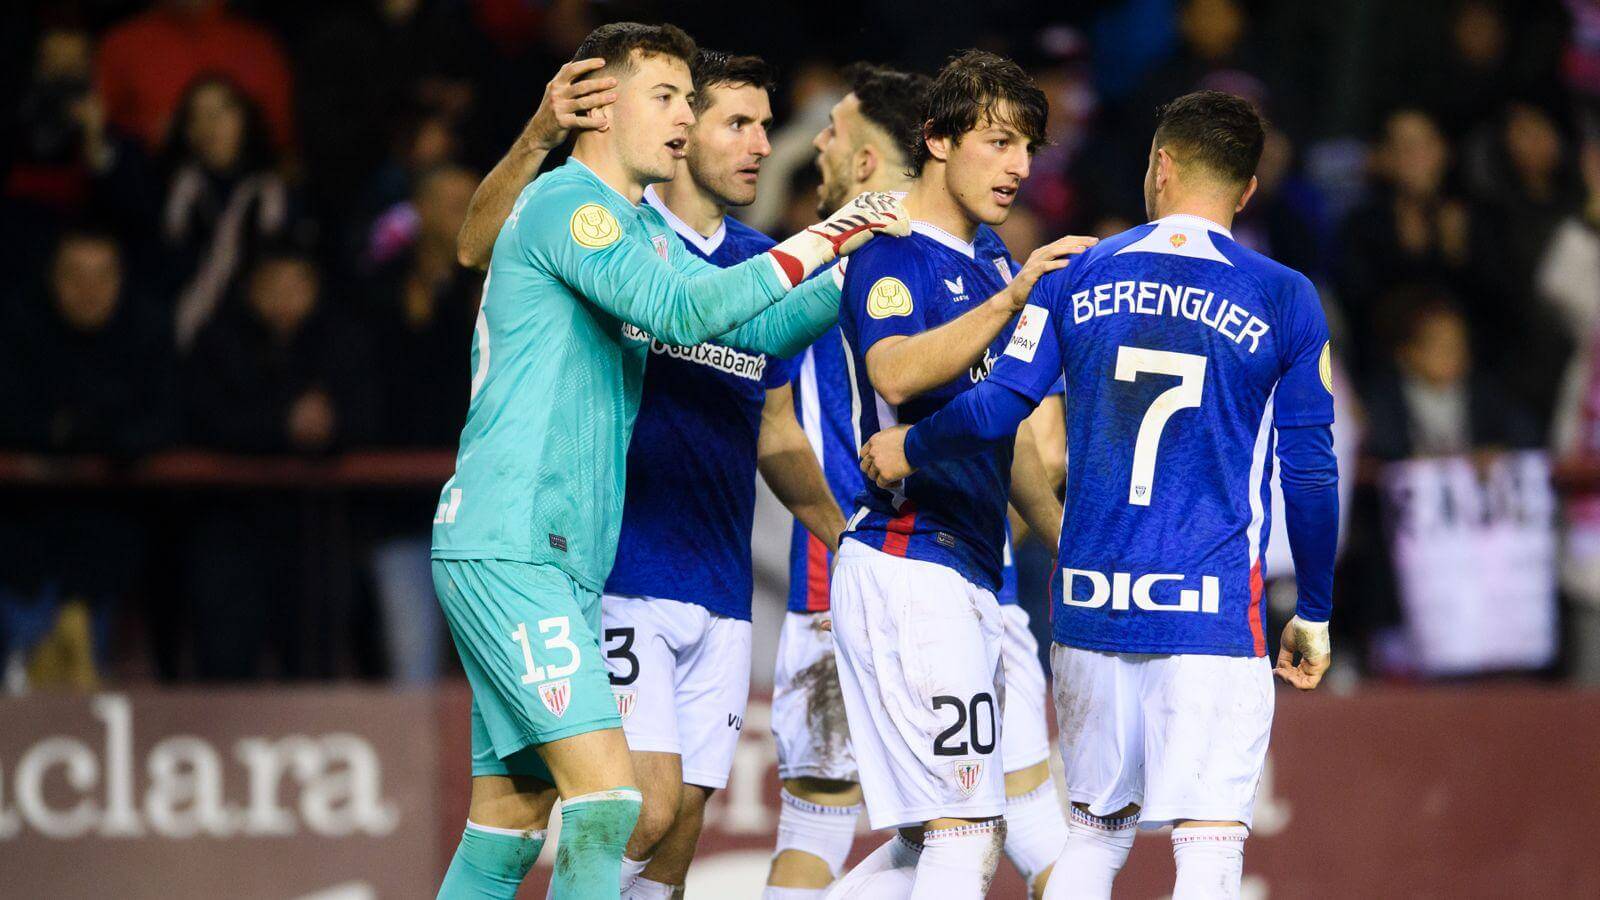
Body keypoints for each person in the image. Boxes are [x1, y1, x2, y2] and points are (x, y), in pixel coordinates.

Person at [428, 23, 907, 899]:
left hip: (561, 554)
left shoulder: (631, 236)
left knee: (509, 815)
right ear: (599, 106)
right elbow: (685, 315)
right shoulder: (573, 206)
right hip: (513, 543)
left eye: (690, 99)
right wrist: (829, 238)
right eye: (667, 97)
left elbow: (754, 332)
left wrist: (850, 271)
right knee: (612, 800)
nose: (684, 118)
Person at [860, 90, 1339, 900]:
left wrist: (910, 444)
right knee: (1209, 850)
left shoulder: (1076, 270)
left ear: (1160, 165)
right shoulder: (1283, 295)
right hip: (1210, 607)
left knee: (1091, 841)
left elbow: (999, 406)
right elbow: (1312, 472)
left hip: (1087, 605)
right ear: (1248, 191)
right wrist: (1316, 609)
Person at [769, 62, 1071, 900]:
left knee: (948, 835)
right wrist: (1014, 299)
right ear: (936, 141)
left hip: (967, 571)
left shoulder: (983, 261)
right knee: (967, 831)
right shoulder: (887, 249)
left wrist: (1071, 551)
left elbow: (1007, 445)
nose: (1018, 167)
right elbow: (895, 372)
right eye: (999, 142)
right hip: (906, 564)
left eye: (1028, 149)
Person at [572, 50, 847, 898]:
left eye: (766, 124)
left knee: (680, 832)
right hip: (626, 569)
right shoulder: (620, 238)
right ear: (683, 132)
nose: (761, 144)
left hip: (722, 588)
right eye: (739, 123)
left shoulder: (769, 264)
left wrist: (849, 539)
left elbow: (774, 430)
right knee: (641, 810)